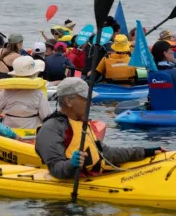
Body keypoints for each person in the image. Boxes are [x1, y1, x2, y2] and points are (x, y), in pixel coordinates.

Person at [35, 77, 166, 179]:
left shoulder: (81, 123)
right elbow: (56, 168)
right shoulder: (50, 129)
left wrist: (144, 152)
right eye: (86, 99)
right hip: (69, 189)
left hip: (93, 176)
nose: (90, 103)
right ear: (69, 101)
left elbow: (106, 153)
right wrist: (72, 164)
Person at [0, 56, 51, 129]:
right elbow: (46, 117)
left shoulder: (5, 92)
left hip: (9, 132)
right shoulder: (38, 93)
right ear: (35, 74)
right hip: (31, 133)